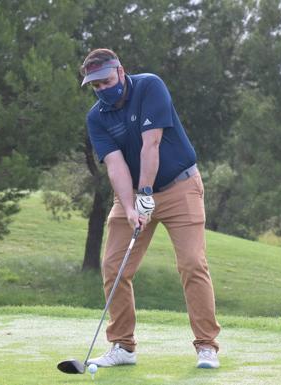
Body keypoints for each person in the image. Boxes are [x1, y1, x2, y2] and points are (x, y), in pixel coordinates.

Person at [80, 48, 221, 369]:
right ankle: (123, 346)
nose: (102, 89)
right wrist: (131, 207)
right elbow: (115, 165)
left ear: (120, 71)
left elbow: (151, 144)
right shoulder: (96, 118)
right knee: (114, 268)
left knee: (191, 264)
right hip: (131, 194)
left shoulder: (149, 87)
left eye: (106, 81)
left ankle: (206, 346)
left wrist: (146, 193)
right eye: (95, 86)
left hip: (179, 187)